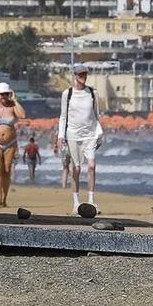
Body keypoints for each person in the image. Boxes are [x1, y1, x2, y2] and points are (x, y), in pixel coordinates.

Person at [57, 67, 103, 216]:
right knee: (75, 169)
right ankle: (76, 202)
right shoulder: (68, 94)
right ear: (75, 76)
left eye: (85, 74)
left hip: (90, 135)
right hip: (73, 135)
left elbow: (97, 115)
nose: (83, 76)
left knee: (91, 166)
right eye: (80, 74)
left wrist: (100, 133)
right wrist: (60, 136)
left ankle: (91, 200)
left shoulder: (92, 93)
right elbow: (63, 116)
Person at [0, 81, 27, 208]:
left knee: (6, 169)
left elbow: (22, 115)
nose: (5, 97)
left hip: (10, 143)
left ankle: (4, 198)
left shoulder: (12, 105)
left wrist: (15, 100)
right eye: (2, 94)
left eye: (7, 94)